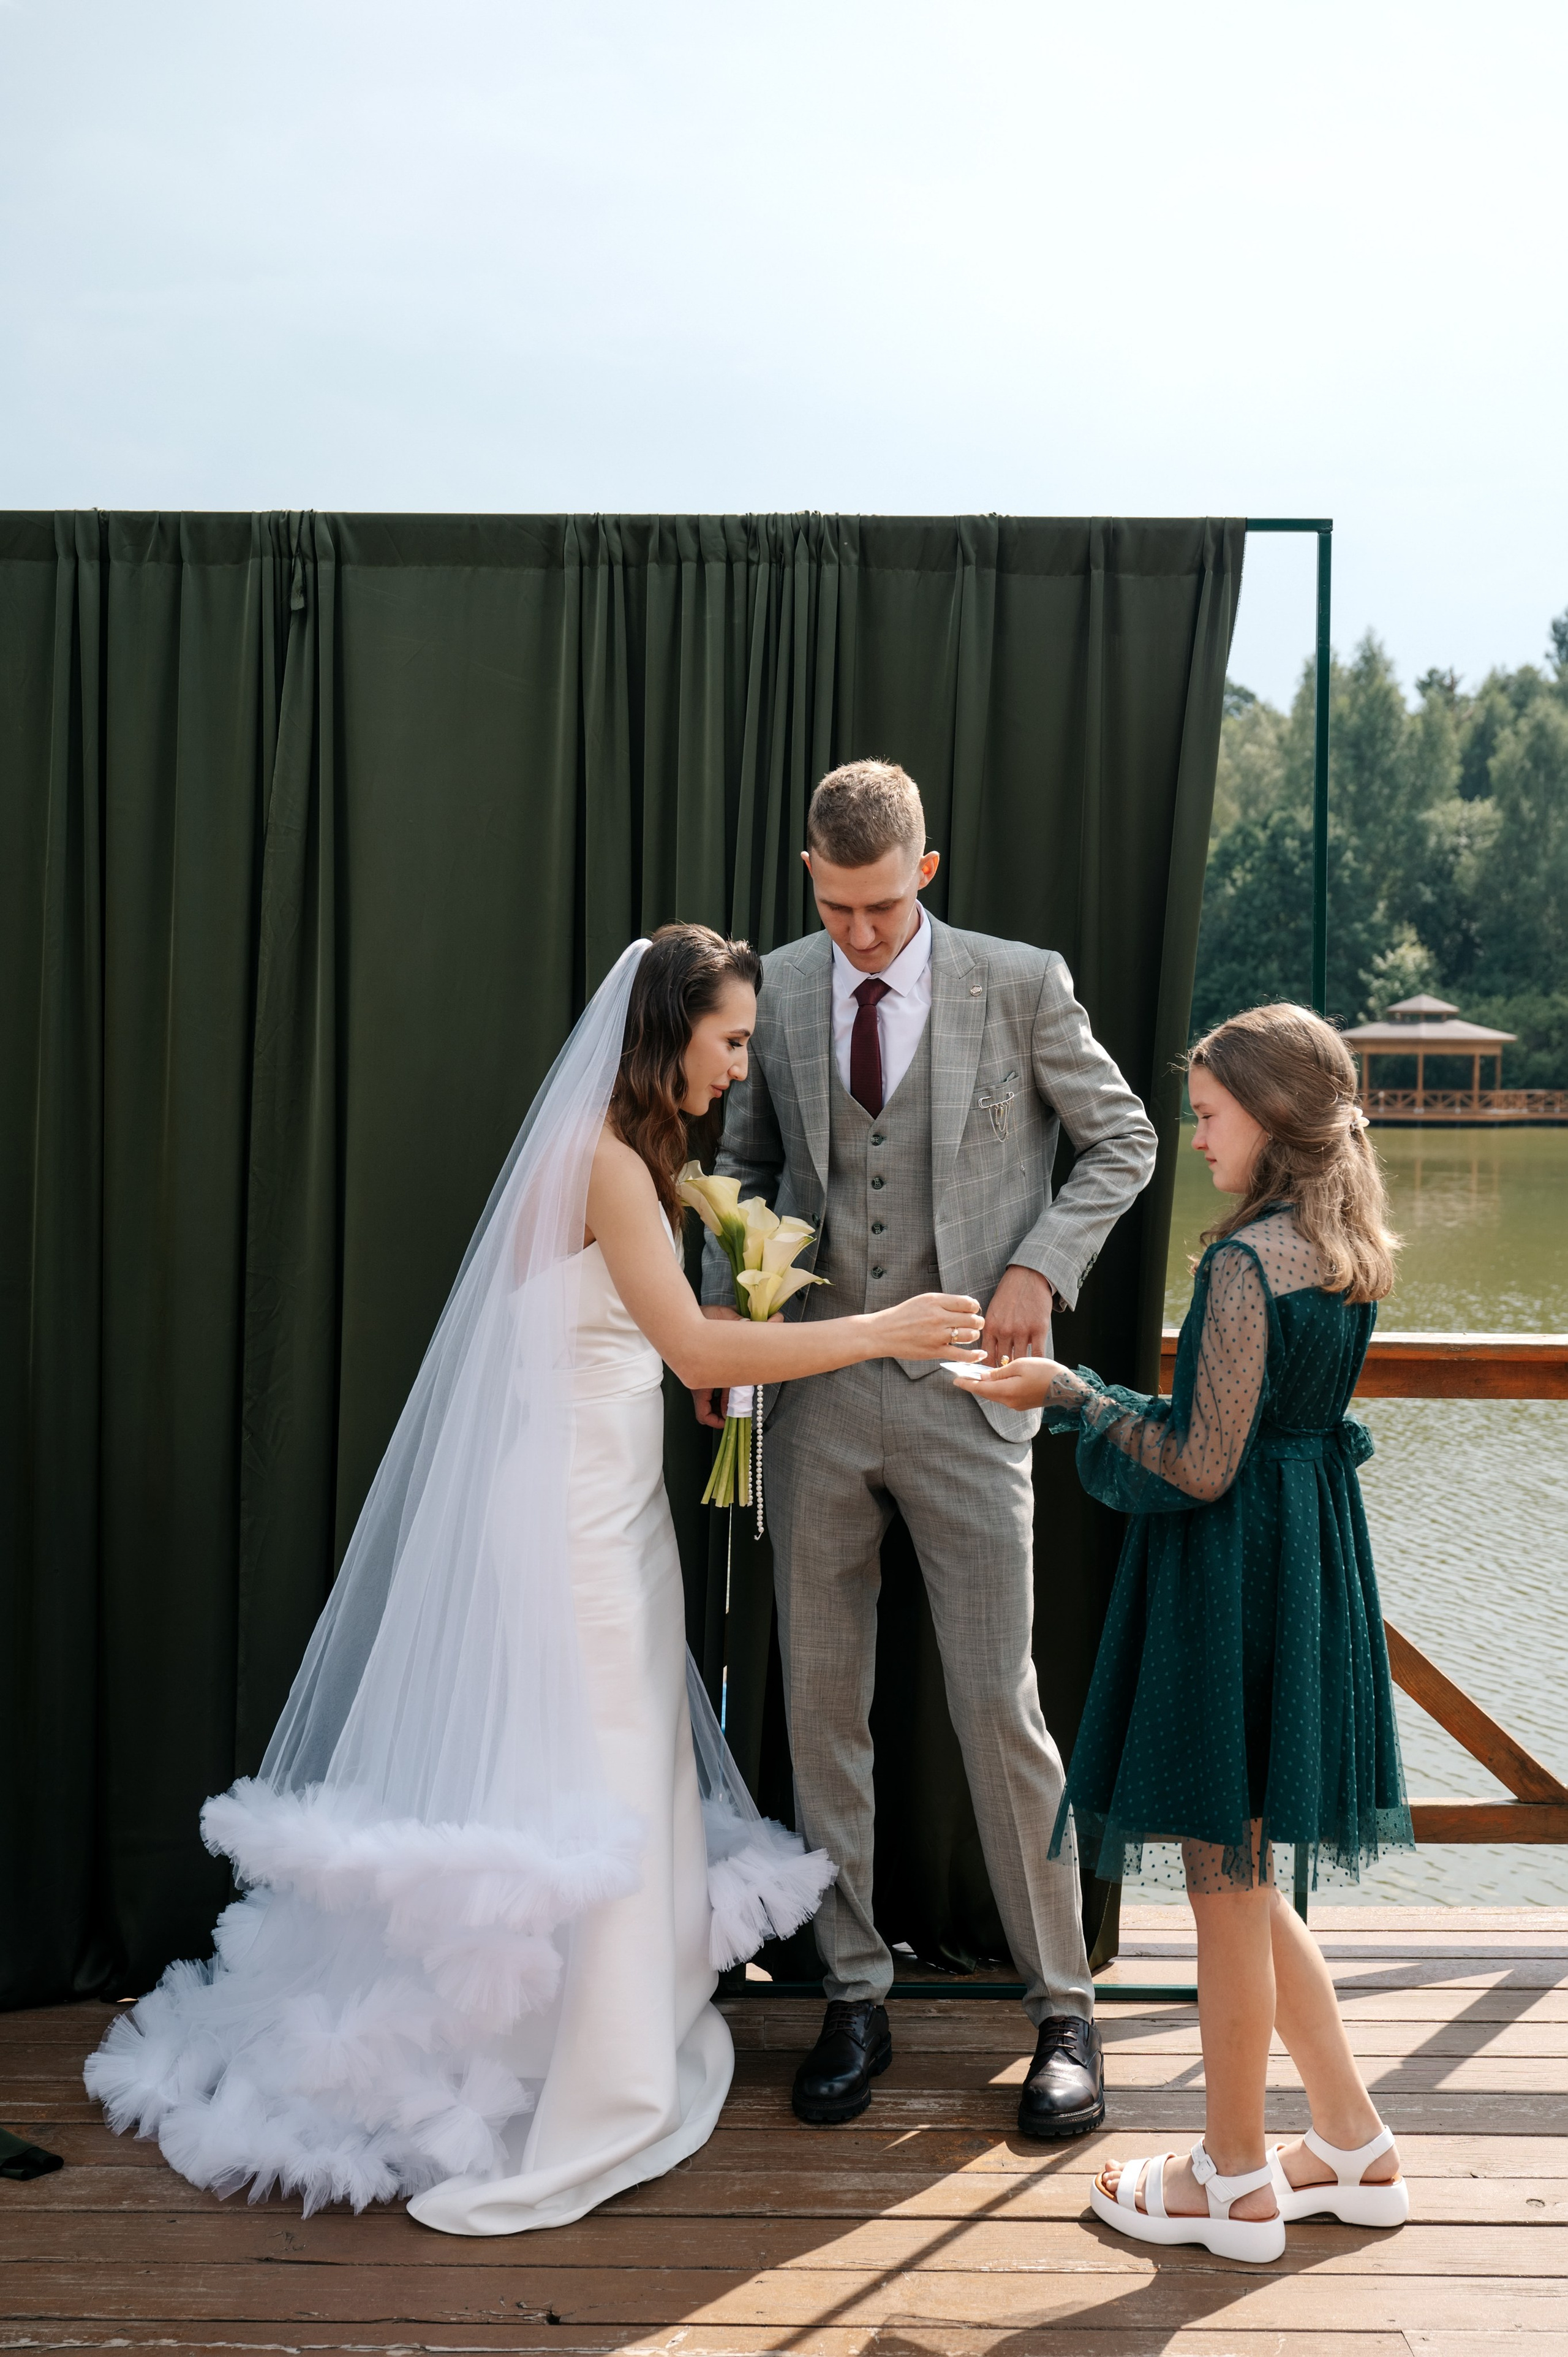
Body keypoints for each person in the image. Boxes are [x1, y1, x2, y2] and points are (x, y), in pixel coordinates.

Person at [85, 926, 986, 2233]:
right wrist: (884, 1331)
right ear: (667, 1030)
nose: (738, 1067)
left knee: (586, 1767)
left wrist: (711, 1370)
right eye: (728, 1040)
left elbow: (604, 1341)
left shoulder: (621, 1161)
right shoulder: (607, 1165)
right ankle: (598, 2080)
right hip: (576, 1519)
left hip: (595, 1499)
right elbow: (681, 1346)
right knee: (606, 1764)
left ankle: (579, 2036)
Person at [696, 759, 1158, 2134]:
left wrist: (1040, 1269)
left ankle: (1060, 2009)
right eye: (836, 908)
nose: (858, 935)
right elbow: (742, 1162)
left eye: (883, 908)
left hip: (971, 1393)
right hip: (820, 1393)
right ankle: (849, 1992)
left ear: (926, 874)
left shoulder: (1020, 979)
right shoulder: (772, 986)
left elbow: (1121, 1138)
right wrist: (728, 1296)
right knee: (823, 1704)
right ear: (807, 877)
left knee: (995, 1703)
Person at [956, 1002, 1414, 2263]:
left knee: (1222, 1888)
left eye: (1207, 1114)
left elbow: (1203, 1461)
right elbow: (1257, 1425)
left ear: (1268, 1119)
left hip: (1230, 1584)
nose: (1193, 1134)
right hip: (1305, 1560)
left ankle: (1229, 2181)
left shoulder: (1244, 1262)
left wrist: (1068, 1395)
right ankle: (1349, 2141)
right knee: (1252, 1879)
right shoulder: (1338, 1248)